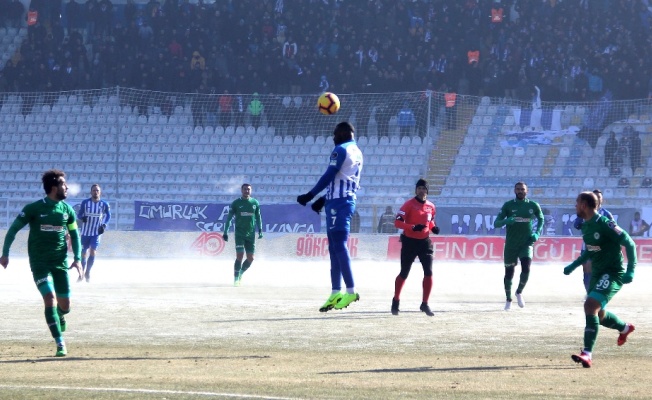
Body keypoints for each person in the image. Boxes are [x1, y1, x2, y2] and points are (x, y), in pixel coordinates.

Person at [0, 169, 82, 357]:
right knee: (49, 299)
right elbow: (13, 230)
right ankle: (60, 343)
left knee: (66, 305)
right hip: (39, 264)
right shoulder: (34, 209)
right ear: (54, 187)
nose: (67, 187)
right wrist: (5, 253)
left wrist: (77, 259)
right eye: (63, 184)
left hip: (60, 263)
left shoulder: (67, 210)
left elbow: (75, 235)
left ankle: (60, 314)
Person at [564, 191, 636, 368]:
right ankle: (625, 328)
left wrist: (631, 270)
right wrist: (574, 265)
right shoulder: (586, 225)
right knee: (599, 313)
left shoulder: (605, 223)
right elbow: (591, 250)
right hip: (597, 272)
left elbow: (629, 243)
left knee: (590, 305)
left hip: (612, 272)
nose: (575, 205)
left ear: (584, 205)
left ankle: (587, 353)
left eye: (577, 202)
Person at [297, 121, 363, 312]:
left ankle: (351, 290)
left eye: (335, 134)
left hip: (340, 203)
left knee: (339, 245)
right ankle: (336, 291)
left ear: (342, 133)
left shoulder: (340, 150)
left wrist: (311, 195)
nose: (333, 137)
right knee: (333, 247)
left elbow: (329, 175)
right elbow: (343, 180)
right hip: (337, 201)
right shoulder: (357, 151)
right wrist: (324, 200)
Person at [391, 179, 440, 316]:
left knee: (429, 272)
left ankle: (425, 304)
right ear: (416, 190)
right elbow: (397, 223)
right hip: (409, 242)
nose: (421, 191)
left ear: (427, 191)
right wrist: (412, 227)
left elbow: (430, 221)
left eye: (424, 188)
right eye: (419, 188)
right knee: (404, 273)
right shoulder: (408, 205)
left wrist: (433, 228)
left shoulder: (431, 206)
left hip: (424, 242)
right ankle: (396, 300)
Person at [494, 182, 544, 311]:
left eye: (522, 189)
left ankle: (519, 292)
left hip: (526, 243)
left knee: (526, 268)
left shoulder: (533, 205)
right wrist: (506, 221)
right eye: (518, 189)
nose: (520, 191)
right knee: (509, 273)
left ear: (527, 191)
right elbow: (496, 223)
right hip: (511, 244)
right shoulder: (508, 206)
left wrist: (537, 233)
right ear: (514, 191)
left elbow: (541, 218)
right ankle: (508, 299)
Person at [223, 183, 263, 286]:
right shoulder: (236, 203)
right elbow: (229, 218)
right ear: (241, 190)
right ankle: (236, 279)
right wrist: (225, 231)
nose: (247, 191)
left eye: (248, 189)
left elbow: (258, 217)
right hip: (239, 234)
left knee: (251, 258)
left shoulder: (255, 203)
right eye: (245, 189)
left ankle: (241, 272)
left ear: (251, 191)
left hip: (251, 235)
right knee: (239, 256)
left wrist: (261, 230)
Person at [573, 189, 613, 294]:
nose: (597, 199)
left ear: (602, 200)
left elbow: (613, 229)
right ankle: (589, 293)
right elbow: (576, 225)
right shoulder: (584, 211)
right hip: (586, 247)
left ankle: (596, 294)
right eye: (595, 196)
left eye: (599, 197)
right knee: (586, 272)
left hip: (601, 248)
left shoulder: (606, 214)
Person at [76, 184, 111, 283]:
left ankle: (88, 272)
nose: (95, 192)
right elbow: (79, 214)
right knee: (83, 252)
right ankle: (81, 274)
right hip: (85, 232)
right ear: (91, 192)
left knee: (93, 251)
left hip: (96, 232)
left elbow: (108, 216)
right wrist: (82, 218)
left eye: (97, 191)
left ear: (100, 192)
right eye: (94, 190)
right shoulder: (85, 203)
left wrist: (104, 225)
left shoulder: (104, 204)